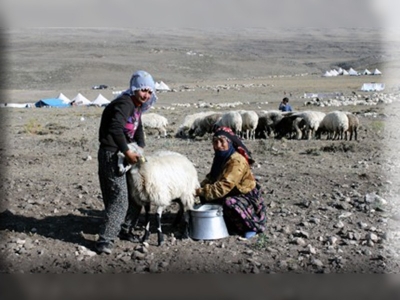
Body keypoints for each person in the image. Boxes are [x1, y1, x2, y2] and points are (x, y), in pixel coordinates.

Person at [96, 70, 157, 254]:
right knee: (119, 200)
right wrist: (126, 150)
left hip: (124, 154)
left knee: (136, 195)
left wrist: (141, 145)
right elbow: (115, 128)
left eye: (149, 91)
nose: (146, 95)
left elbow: (137, 126)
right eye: (142, 90)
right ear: (135, 88)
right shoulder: (125, 103)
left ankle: (124, 229)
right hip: (112, 155)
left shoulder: (136, 106)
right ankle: (105, 240)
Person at [195, 127, 267, 239]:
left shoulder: (236, 161)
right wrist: (197, 188)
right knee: (206, 197)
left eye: (222, 142)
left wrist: (199, 191)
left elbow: (224, 186)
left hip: (244, 196)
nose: (218, 145)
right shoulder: (220, 158)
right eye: (215, 142)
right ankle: (227, 223)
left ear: (229, 142)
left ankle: (250, 227)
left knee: (229, 203)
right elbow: (211, 178)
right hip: (229, 192)